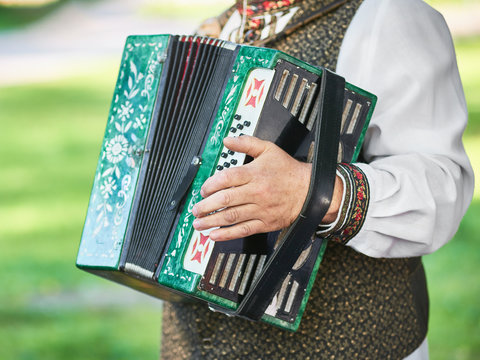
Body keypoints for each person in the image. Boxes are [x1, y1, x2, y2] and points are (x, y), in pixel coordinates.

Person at [161, 0, 474, 358]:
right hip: (191, 341)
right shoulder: (228, 22)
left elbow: (442, 188)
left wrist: (313, 193)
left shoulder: (388, 14)